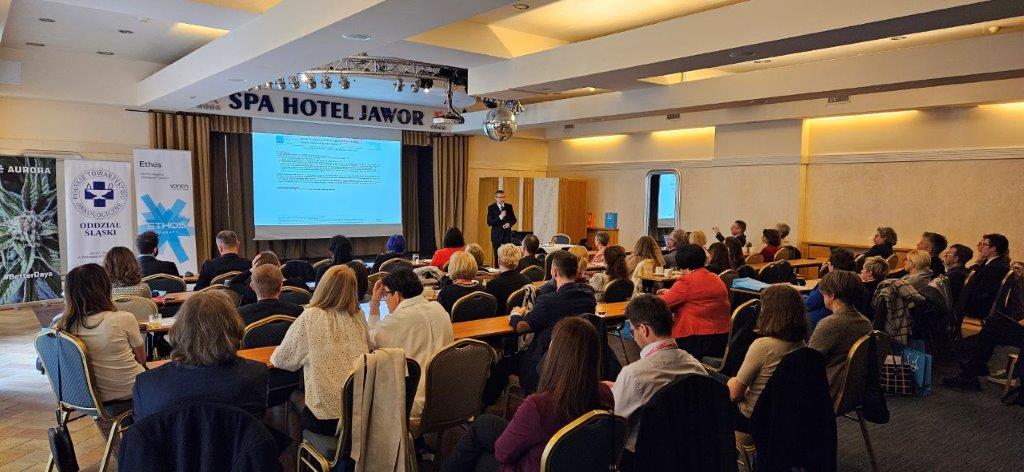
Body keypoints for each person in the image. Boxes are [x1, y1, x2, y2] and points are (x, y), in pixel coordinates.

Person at [444, 317, 613, 472]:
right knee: (483, 424)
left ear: (555, 356)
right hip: (570, 462)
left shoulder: (539, 407)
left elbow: (503, 454)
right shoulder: (605, 395)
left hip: (535, 466)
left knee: (480, 457)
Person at [132, 290, 268, 420]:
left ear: (179, 328)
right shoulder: (256, 374)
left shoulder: (146, 384)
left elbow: (142, 432)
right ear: (234, 327)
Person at [482, 251, 596, 405]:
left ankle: (484, 405)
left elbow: (522, 327)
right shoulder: (588, 297)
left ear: (553, 271)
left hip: (546, 362)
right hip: (580, 357)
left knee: (504, 364)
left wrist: (515, 314)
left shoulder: (549, 301)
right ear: (576, 271)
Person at [271, 265, 370, 435]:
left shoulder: (310, 316)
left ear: (323, 286)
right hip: (361, 413)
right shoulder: (358, 316)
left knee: (292, 393)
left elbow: (282, 360)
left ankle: (301, 446)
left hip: (327, 421)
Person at [611, 295, 707, 458]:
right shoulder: (697, 367)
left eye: (633, 330)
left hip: (644, 457)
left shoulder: (633, 375)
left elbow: (614, 426)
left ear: (643, 330)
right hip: (692, 453)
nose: (633, 336)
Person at [368, 268, 454, 419]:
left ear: (397, 295)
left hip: (413, 400)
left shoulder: (397, 320)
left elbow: (371, 341)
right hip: (448, 395)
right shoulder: (439, 309)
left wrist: (374, 304)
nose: (385, 300)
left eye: (386, 295)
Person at [54, 264, 146, 404]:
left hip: (83, 397)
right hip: (131, 390)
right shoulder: (123, 319)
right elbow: (142, 359)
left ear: (68, 293)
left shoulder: (59, 325)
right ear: (105, 288)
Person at [726, 285, 807, 432]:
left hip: (753, 416)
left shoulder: (763, 346)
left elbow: (735, 394)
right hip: (782, 413)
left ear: (769, 312)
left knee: (708, 388)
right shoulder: (801, 344)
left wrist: (731, 381)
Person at [658, 244, 731, 359]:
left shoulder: (687, 281)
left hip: (696, 340)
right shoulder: (715, 278)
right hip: (722, 338)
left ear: (680, 262)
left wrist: (665, 294)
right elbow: (697, 295)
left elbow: (659, 304)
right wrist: (671, 292)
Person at [808, 271, 872, 400]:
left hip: (828, 389)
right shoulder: (865, 322)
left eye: (823, 293)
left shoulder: (829, 324)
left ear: (832, 295)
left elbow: (809, 362)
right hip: (854, 388)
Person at [959, 233, 1012, 318]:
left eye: (984, 245)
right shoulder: (988, 262)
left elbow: (983, 292)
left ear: (993, 248)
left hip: (979, 308)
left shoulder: (997, 267)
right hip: (974, 303)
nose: (981, 247)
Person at [227, 251, 307, 306]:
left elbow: (232, 283)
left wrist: (250, 270)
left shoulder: (255, 290)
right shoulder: (298, 284)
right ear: (279, 265)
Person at [806, 248, 858, 332]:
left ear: (834, 267)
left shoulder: (830, 282)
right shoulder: (857, 280)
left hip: (822, 321)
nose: (828, 266)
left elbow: (809, 304)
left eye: (829, 264)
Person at [236, 264, 304, 325]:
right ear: (281, 286)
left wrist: (249, 270)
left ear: (252, 287)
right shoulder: (298, 311)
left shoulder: (240, 314)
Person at [486, 243, 532, 314]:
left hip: (500, 318)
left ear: (499, 261)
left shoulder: (493, 285)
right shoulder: (527, 280)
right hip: (521, 316)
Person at [487, 190, 518, 266]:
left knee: (507, 256)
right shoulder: (491, 208)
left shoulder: (509, 206)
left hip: (507, 235)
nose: (502, 199)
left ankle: (507, 270)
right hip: (496, 235)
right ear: (496, 198)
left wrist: (509, 224)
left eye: (503, 197)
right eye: (500, 197)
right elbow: (489, 222)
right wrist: (500, 217)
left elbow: (514, 219)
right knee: (497, 256)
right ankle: (497, 270)